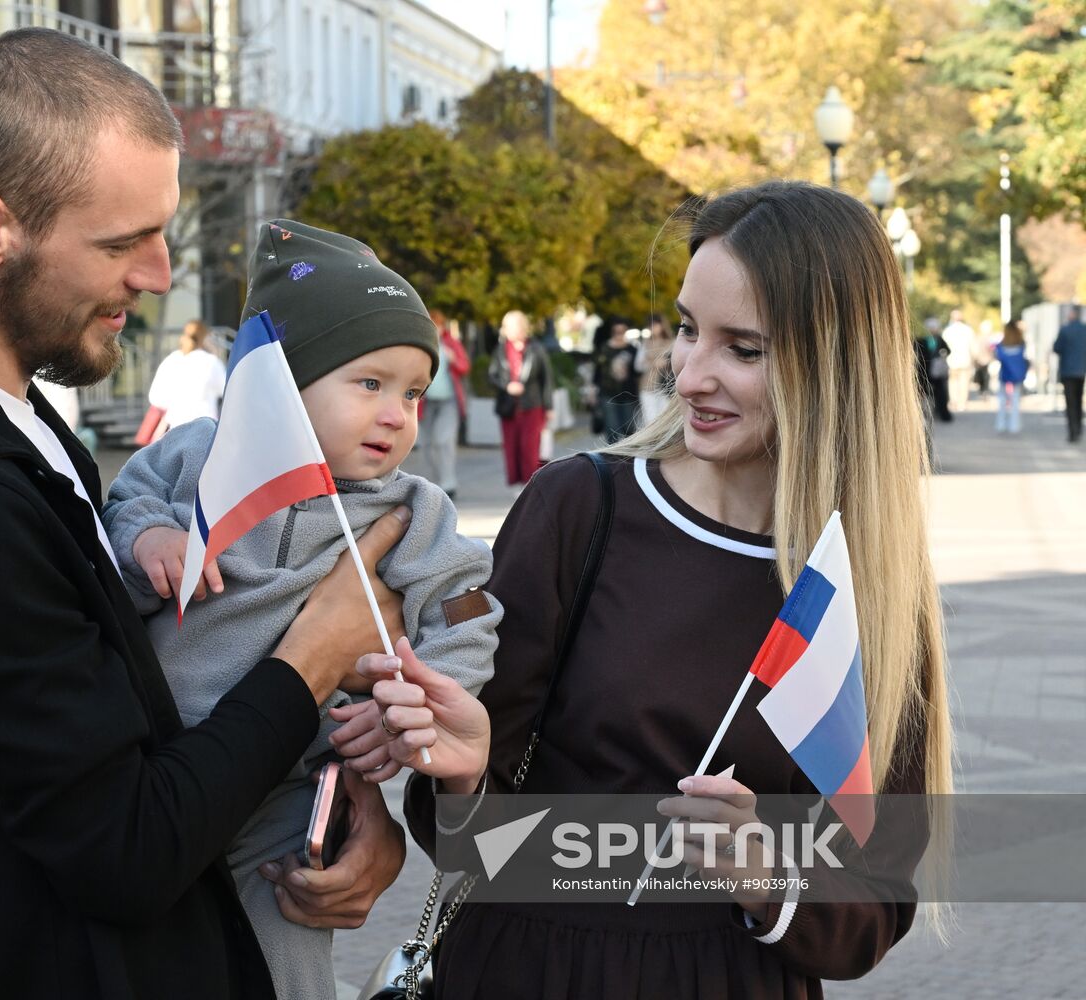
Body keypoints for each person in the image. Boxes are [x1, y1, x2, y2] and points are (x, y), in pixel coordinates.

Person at [0, 30, 409, 1000]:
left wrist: (345, 796)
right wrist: (314, 655)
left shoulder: (6, 415)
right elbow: (126, 846)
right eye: (123, 241)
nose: (161, 274)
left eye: (162, 232)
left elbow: (139, 718)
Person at [366, 181, 955, 999]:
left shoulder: (873, 594)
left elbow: (875, 899)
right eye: (685, 331)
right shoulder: (580, 506)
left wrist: (771, 879)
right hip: (527, 969)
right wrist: (462, 781)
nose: (689, 374)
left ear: (836, 365)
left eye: (742, 349)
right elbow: (470, 842)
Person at [102, 219, 501, 1000]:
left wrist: (412, 702)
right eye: (370, 384)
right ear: (283, 385)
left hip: (288, 798)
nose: (398, 414)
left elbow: (465, 612)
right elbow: (124, 504)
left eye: (414, 393)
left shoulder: (412, 509)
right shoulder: (198, 455)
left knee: (287, 955)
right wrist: (149, 540)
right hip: (151, 777)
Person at [488, 310, 553, 486]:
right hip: (508, 406)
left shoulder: (536, 348)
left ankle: (531, 483)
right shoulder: (500, 350)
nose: (512, 330)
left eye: (516, 326)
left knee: (530, 447)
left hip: (532, 405)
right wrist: (507, 385)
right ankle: (516, 484)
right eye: (508, 326)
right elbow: (492, 375)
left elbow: (546, 379)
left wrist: (549, 407)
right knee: (511, 447)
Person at [145, 317, 227, 442]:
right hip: (205, 428)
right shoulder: (211, 362)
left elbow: (155, 398)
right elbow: (224, 390)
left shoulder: (172, 360)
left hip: (175, 427)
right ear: (205, 338)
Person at [419, 308, 471, 497]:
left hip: (448, 401)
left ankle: (448, 483)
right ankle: (435, 482)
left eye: (437, 326)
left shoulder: (450, 343)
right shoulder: (421, 345)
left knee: (444, 440)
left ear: (442, 327)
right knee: (426, 444)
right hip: (425, 402)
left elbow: (465, 366)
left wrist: (453, 358)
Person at [593, 318, 639, 443]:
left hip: (627, 393)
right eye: (616, 331)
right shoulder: (604, 348)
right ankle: (612, 457)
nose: (619, 334)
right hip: (607, 392)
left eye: (621, 331)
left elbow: (637, 371)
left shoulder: (632, 349)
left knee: (628, 428)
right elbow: (598, 371)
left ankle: (628, 456)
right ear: (612, 332)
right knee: (611, 427)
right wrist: (593, 389)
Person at [635, 312, 676, 426]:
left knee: (664, 422)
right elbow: (638, 366)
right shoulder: (645, 343)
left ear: (662, 325)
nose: (652, 328)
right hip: (647, 386)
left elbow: (678, 363)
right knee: (650, 422)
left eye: (655, 325)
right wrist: (653, 363)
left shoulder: (672, 342)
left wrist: (666, 362)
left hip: (666, 386)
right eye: (650, 325)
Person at [1053, 305, 1086, 443]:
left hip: (1067, 371)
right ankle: (1078, 429)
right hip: (1081, 370)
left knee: (1070, 402)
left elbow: (1057, 348)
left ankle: (1073, 431)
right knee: (1078, 400)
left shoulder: (1065, 330)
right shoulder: (1084, 330)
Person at [994, 320, 1030, 435]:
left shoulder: (1001, 345)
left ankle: (1001, 424)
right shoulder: (1021, 343)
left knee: (1002, 400)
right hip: (1018, 375)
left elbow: (997, 356)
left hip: (1005, 374)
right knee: (1015, 400)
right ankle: (1014, 425)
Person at [941, 309, 976, 412]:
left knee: (952, 382)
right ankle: (962, 403)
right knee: (964, 383)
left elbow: (943, 348)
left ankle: (954, 401)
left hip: (951, 361)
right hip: (965, 360)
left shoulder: (947, 331)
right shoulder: (967, 330)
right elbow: (973, 346)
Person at [919, 317, 953, 422]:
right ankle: (925, 413)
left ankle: (942, 413)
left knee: (940, 393)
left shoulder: (938, 339)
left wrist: (940, 356)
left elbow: (948, 350)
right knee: (925, 393)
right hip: (924, 370)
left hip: (935, 371)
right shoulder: (922, 339)